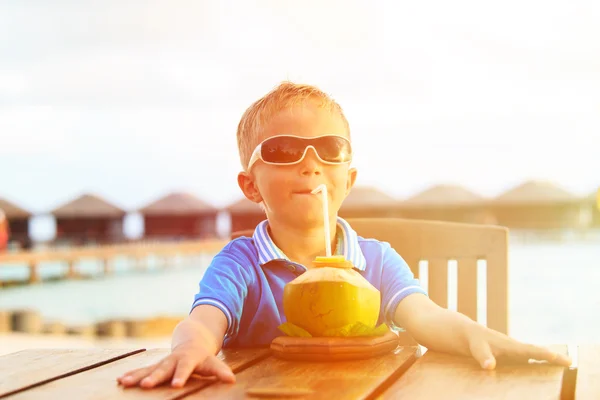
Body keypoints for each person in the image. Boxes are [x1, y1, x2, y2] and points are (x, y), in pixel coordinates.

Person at [118, 82, 571, 389]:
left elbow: (426, 317)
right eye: (283, 150)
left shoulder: (375, 262)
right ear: (251, 185)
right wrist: (192, 348)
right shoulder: (241, 264)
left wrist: (475, 334)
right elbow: (203, 321)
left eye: (330, 150)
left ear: (348, 180)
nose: (310, 162)